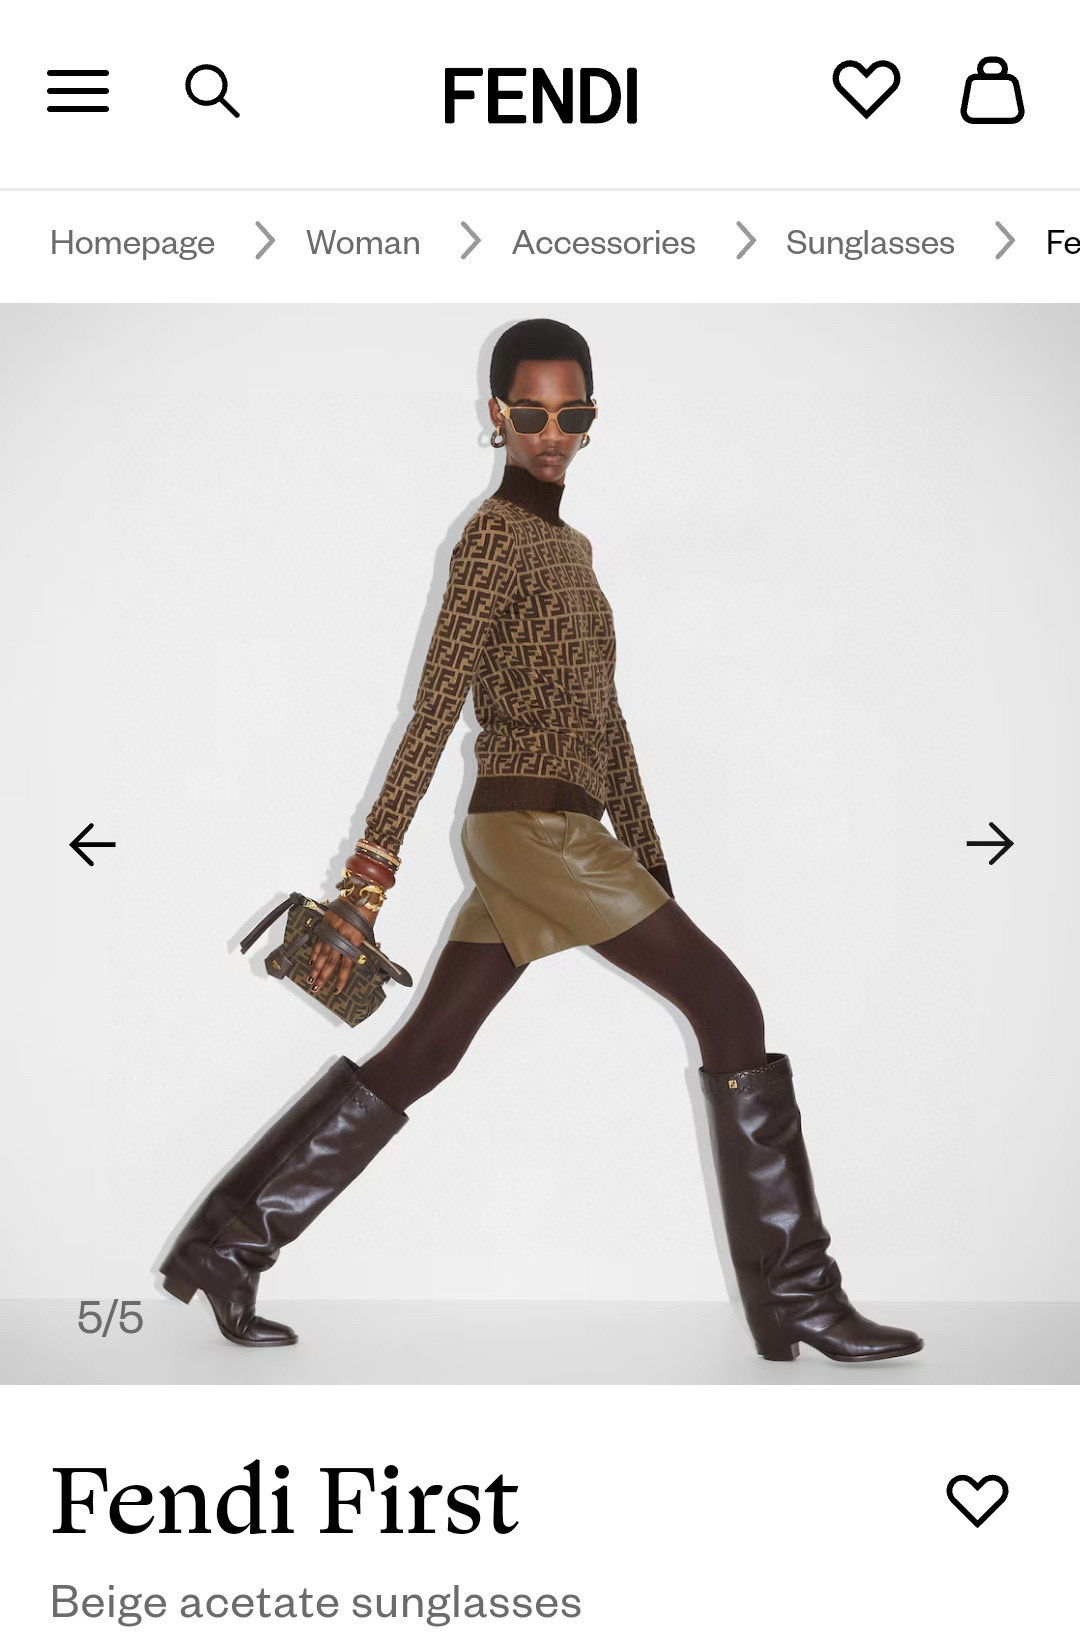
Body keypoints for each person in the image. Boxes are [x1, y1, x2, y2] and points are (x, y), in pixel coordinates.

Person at [159, 318, 923, 1364]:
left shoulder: (571, 548)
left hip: (545, 837)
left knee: (425, 1050)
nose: (552, 433)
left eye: (573, 414)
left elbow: (605, 718)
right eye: (531, 413)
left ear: (592, 417)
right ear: (498, 415)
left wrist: (649, 858)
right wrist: (370, 875)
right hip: (535, 831)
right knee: (731, 1008)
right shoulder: (492, 536)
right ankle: (797, 1293)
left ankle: (227, 1245)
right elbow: (434, 705)